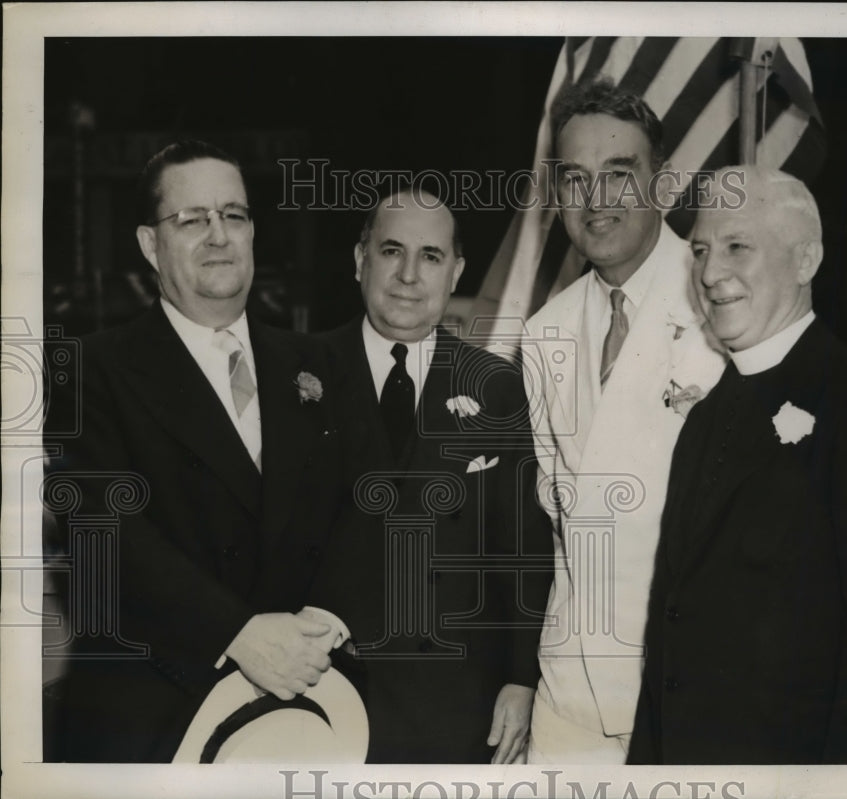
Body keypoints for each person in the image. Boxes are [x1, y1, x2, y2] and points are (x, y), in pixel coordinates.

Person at [628, 165, 847, 764]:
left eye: (736, 247)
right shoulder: (705, 417)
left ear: (806, 262)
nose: (710, 272)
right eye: (699, 250)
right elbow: (670, 631)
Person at [44, 141, 344, 762]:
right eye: (192, 219)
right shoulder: (93, 369)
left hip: (303, 706)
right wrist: (235, 633)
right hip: (153, 711)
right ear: (150, 245)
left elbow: (361, 508)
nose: (218, 235)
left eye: (233, 215)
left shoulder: (314, 363)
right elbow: (101, 528)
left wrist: (322, 624)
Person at [304, 188, 553, 763]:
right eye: (392, 251)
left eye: (432, 257)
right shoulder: (296, 372)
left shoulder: (497, 386)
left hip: (455, 706)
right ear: (360, 258)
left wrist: (522, 678)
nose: (409, 275)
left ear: (456, 270)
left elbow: (523, 549)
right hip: (321, 696)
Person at [520, 78, 726, 763]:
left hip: (686, 686)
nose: (595, 201)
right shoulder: (545, 331)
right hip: (571, 691)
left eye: (619, 175)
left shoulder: (723, 308)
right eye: (574, 179)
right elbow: (558, 521)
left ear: (661, 185)